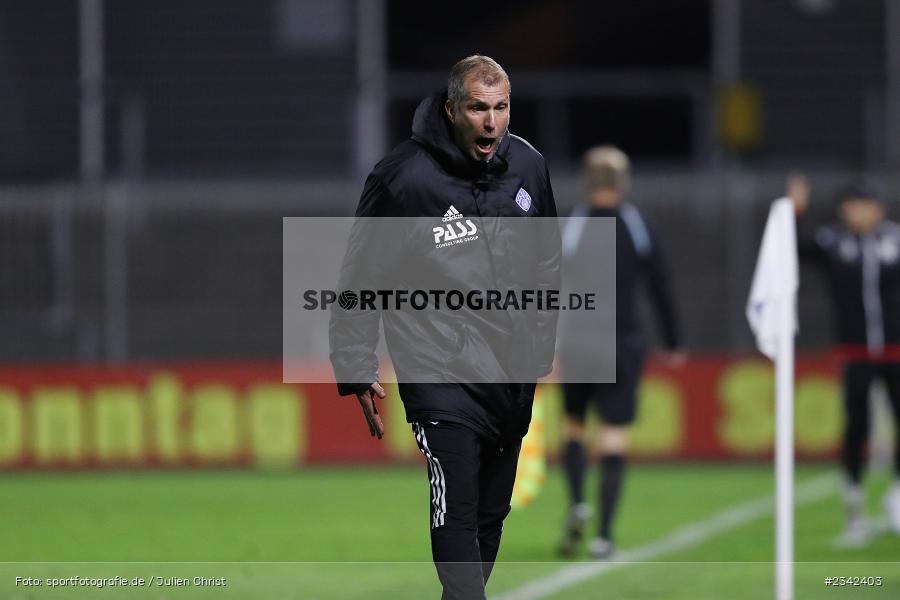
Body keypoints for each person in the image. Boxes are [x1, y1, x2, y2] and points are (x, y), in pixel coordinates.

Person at [329, 55, 560, 599]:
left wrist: (540, 347)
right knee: (455, 509)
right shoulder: (403, 179)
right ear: (452, 109)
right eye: (479, 108)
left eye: (501, 108)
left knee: (488, 520)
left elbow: (547, 260)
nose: (491, 122)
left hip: (510, 374)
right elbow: (361, 273)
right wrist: (356, 365)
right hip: (438, 370)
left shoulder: (528, 166)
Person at [557, 146, 685, 558]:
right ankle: (604, 535)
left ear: (586, 183)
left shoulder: (574, 224)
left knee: (574, 425)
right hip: (622, 341)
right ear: (623, 182)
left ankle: (578, 502)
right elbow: (660, 286)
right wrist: (673, 340)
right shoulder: (635, 224)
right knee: (613, 435)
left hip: (578, 340)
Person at [788, 174, 900, 545]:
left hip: (896, 350)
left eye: (864, 204)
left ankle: (897, 496)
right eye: (851, 205)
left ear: (878, 208)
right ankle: (854, 506)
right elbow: (791, 247)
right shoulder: (834, 242)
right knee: (857, 427)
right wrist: (794, 209)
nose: (857, 212)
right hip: (855, 352)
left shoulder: (894, 240)